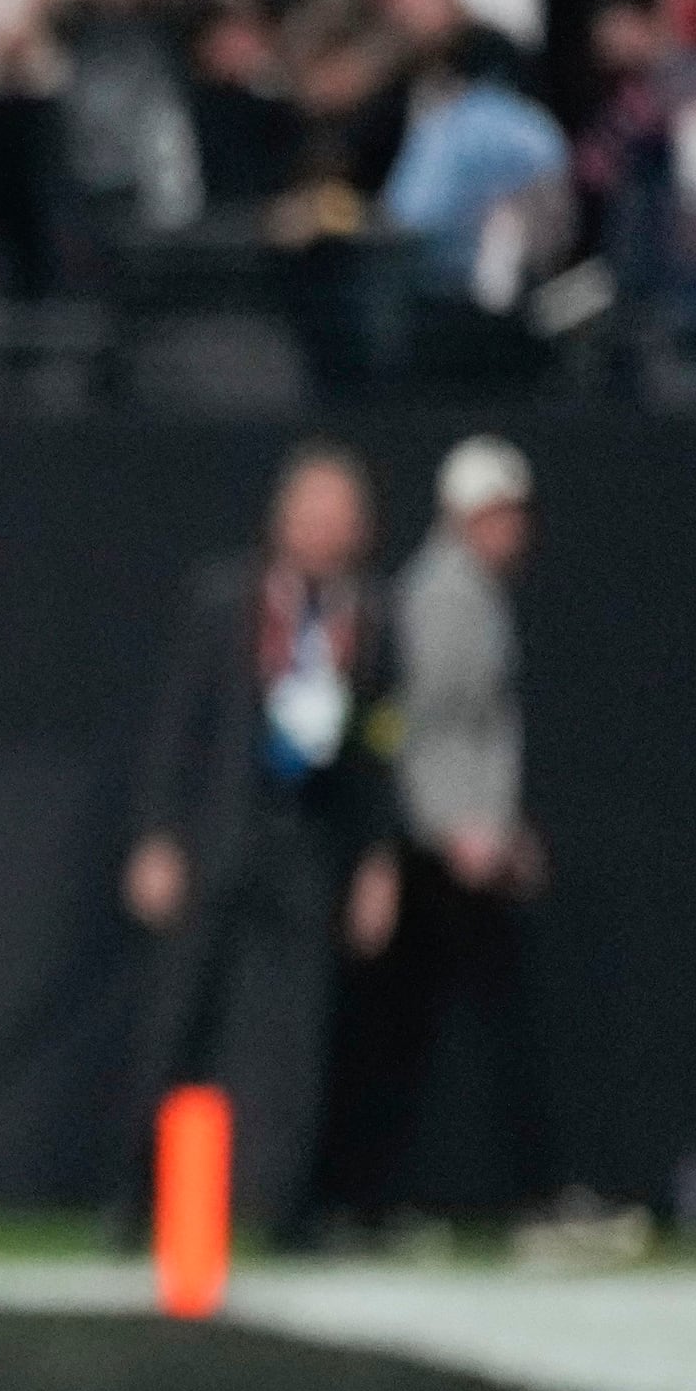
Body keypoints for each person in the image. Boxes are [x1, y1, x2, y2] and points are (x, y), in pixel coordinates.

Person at [119, 442, 401, 1247]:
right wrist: (158, 835)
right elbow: (180, 725)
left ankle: (289, 1207)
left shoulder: (371, 620)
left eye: (338, 514)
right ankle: (138, 1199)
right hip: (220, 829)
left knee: (299, 1033)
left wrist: (377, 859)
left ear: (361, 528)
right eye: (309, 510)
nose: (321, 528)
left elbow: (381, 747)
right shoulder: (226, 603)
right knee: (181, 1018)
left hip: (310, 836)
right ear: (281, 519)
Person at [321, 439, 567, 1236]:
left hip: (455, 840)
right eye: (499, 514)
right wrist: (453, 831)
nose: (514, 529)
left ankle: (371, 1202)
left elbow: (471, 734)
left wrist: (498, 825)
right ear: (468, 516)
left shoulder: (472, 591)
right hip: (439, 848)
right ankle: (527, 1198)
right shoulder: (444, 597)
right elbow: (408, 725)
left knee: (413, 1027)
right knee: (453, 1024)